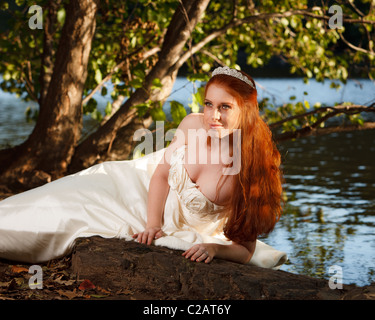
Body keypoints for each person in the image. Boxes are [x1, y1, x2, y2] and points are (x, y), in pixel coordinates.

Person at [0, 66, 287, 269]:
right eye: (209, 104)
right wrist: (153, 225)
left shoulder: (248, 171)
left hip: (181, 224)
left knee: (68, 221)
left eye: (225, 107)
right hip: (141, 190)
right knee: (65, 194)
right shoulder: (191, 124)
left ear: (246, 110)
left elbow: (246, 250)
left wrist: (213, 248)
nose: (212, 116)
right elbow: (161, 175)